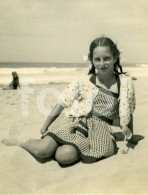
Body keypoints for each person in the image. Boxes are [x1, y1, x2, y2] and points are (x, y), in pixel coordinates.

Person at [1, 37, 136, 165]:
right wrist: (45, 126)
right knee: (43, 151)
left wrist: (130, 137)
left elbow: (127, 112)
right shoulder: (83, 82)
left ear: (115, 57)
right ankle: (21, 142)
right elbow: (61, 103)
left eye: (106, 58)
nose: (102, 63)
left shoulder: (123, 84)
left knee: (63, 157)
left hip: (97, 132)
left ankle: (60, 145)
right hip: (71, 120)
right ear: (92, 60)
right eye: (97, 59)